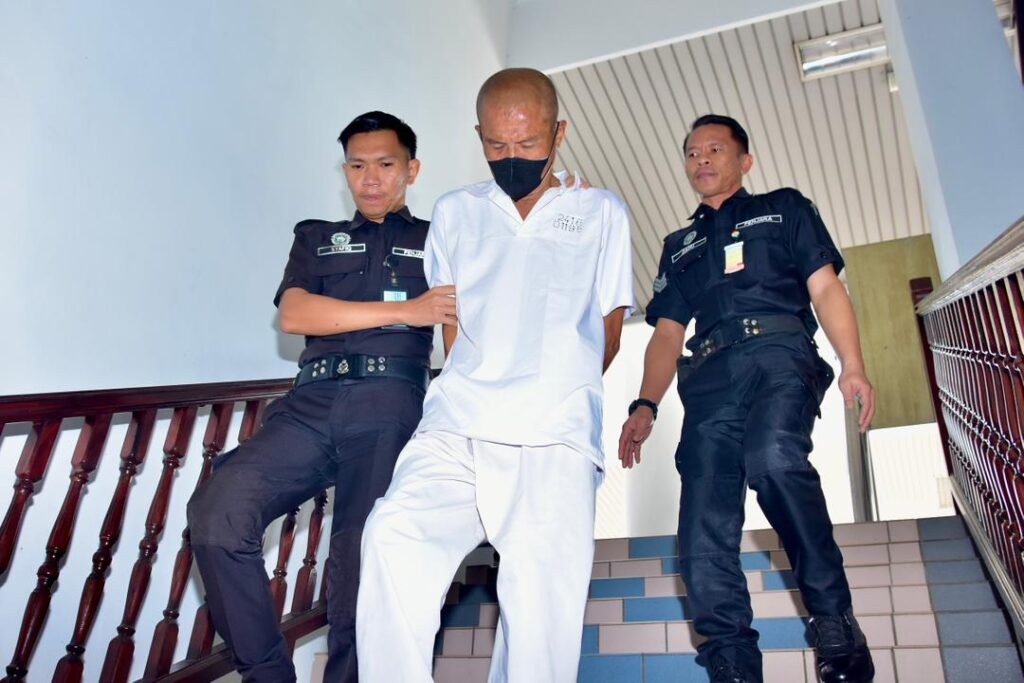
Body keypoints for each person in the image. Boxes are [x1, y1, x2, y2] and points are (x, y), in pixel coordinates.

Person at [355, 68, 634, 683]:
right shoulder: (456, 212)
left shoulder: (600, 211)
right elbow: (452, 324)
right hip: (458, 423)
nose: (512, 157)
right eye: (496, 144)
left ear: (559, 133)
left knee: (539, 616)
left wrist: (558, 386)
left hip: (554, 433)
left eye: (528, 143)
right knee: (392, 538)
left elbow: (609, 329)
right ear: (478, 135)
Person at [187, 111, 456, 682]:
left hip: (389, 404)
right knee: (218, 512)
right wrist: (408, 311)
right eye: (356, 166)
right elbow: (295, 314)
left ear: (411, 170)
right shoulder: (316, 237)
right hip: (308, 406)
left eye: (385, 165)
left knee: (360, 561)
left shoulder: (440, 237)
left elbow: (458, 329)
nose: (370, 179)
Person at [618, 114, 876, 683]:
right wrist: (645, 404)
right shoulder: (679, 246)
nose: (701, 160)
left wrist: (852, 364)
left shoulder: (784, 209)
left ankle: (833, 620)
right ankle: (731, 660)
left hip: (779, 355)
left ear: (745, 161)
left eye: (714, 149)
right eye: (692, 153)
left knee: (775, 459)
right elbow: (666, 335)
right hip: (709, 383)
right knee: (701, 523)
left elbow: (825, 286)